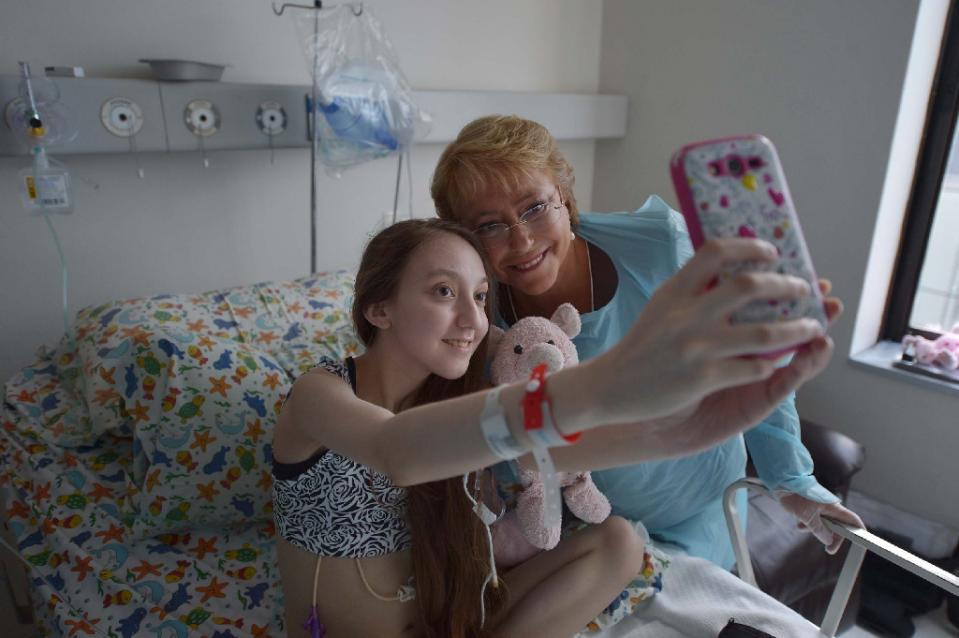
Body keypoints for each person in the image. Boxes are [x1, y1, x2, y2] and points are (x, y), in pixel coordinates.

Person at [271, 217, 830, 637]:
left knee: (618, 540)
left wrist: (687, 429)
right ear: (379, 310)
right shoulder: (319, 397)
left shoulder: (459, 391)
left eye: (481, 296)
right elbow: (393, 449)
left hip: (455, 624)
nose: (471, 320)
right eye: (444, 292)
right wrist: (605, 381)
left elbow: (556, 450)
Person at [430, 114, 862, 569]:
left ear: (564, 195)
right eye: (489, 226)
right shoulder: (474, 317)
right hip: (589, 531)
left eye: (534, 208)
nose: (521, 239)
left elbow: (753, 356)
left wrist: (792, 479)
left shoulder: (661, 248)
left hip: (699, 509)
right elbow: (500, 441)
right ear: (465, 239)